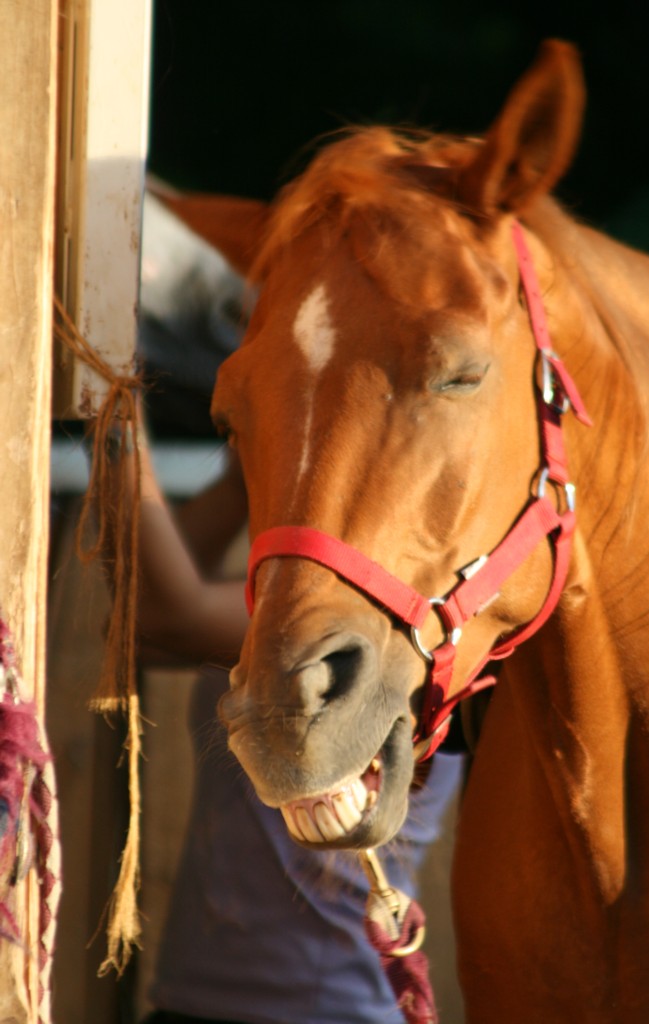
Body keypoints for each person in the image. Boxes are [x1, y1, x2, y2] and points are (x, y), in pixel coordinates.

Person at [106, 196, 465, 1024]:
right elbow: (141, 605)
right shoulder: (304, 601)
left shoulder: (392, 632)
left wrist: (110, 401)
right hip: (196, 1003)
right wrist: (257, 444)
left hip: (320, 1014)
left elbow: (165, 610)